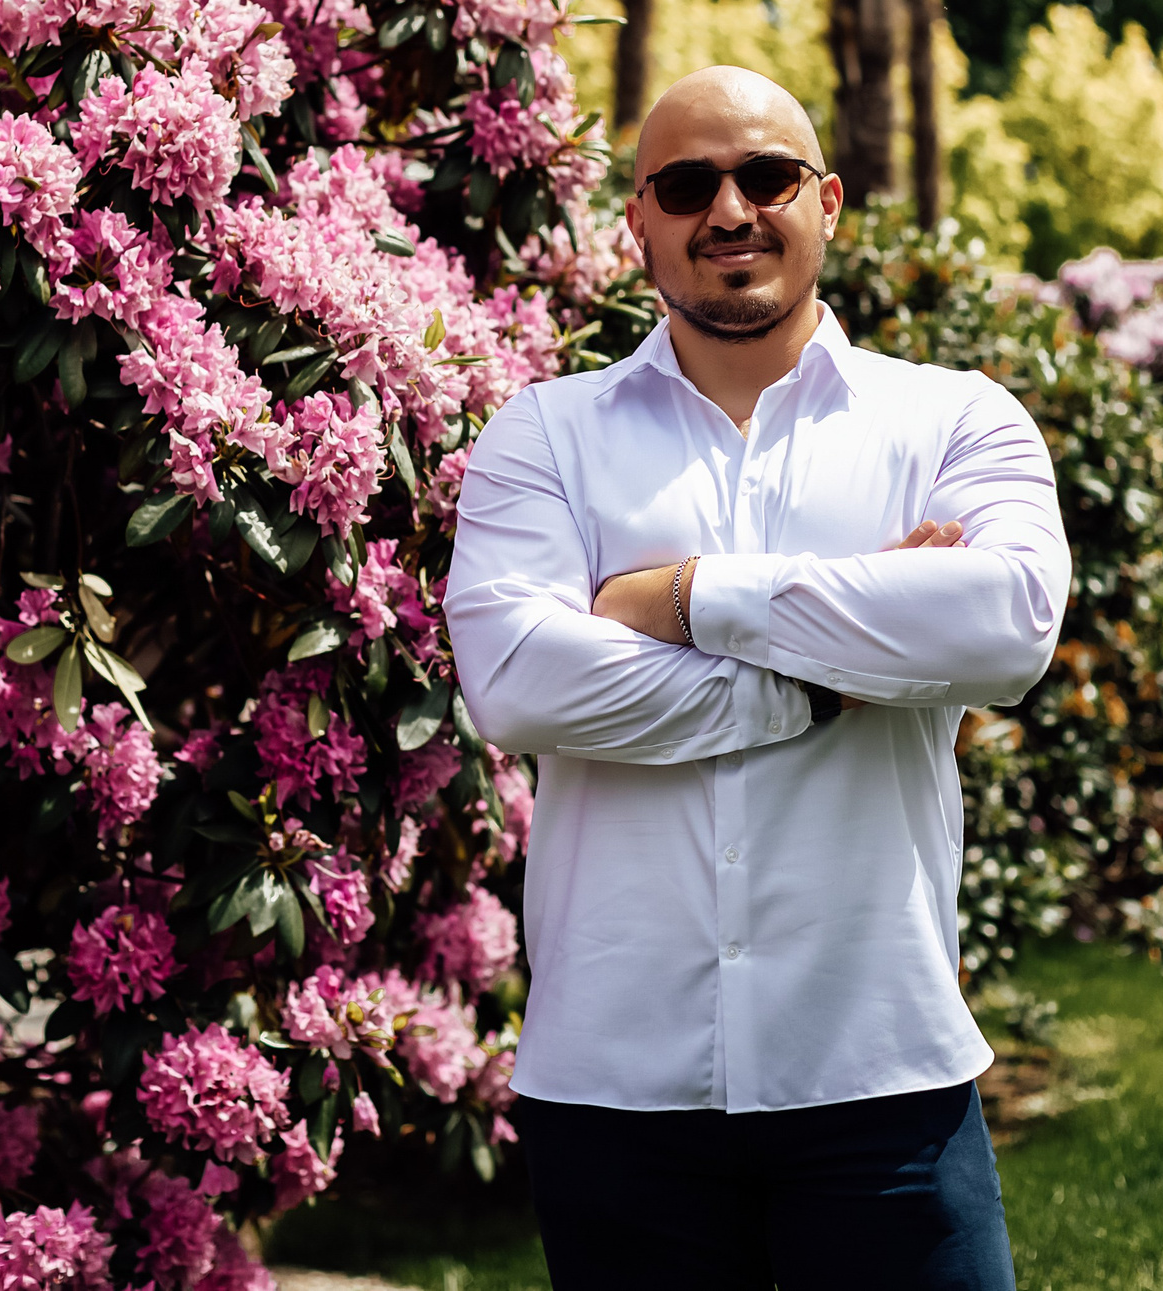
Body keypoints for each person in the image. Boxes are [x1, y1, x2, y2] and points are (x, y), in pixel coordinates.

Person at [443, 66, 1071, 1290]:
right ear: (639, 220)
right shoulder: (542, 436)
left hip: (879, 1073)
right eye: (686, 184)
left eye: (764, 175)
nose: (727, 209)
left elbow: (1003, 629)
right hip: (618, 1088)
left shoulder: (954, 421)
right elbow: (519, 683)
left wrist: (678, 600)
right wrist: (839, 669)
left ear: (827, 200)